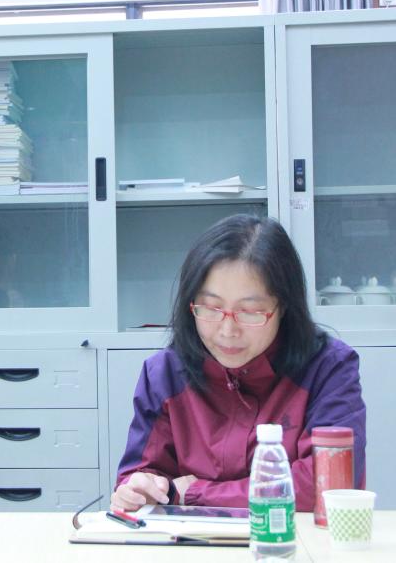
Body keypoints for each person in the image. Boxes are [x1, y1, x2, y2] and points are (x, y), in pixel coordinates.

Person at [111, 214, 365, 512]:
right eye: (211, 308)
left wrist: (195, 493)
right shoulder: (164, 374)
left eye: (250, 312)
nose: (228, 330)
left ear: (283, 306)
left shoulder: (328, 368)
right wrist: (138, 490)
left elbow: (328, 484)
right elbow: (141, 476)